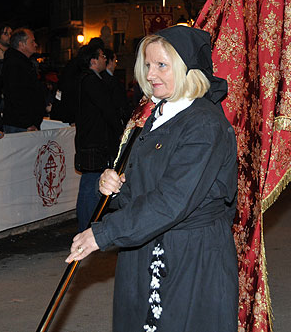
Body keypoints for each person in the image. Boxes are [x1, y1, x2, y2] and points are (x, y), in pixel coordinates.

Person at [65, 26, 238, 332]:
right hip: (146, 244)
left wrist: (103, 234)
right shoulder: (160, 113)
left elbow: (172, 200)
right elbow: (145, 182)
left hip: (188, 256)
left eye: (161, 65)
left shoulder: (203, 124)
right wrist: (116, 187)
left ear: (187, 69)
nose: (150, 74)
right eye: (147, 65)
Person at [74, 44, 123, 231]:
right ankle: (87, 228)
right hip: (94, 140)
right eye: (102, 56)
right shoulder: (91, 81)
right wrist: (118, 129)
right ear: (93, 60)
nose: (105, 59)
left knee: (90, 182)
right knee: (91, 184)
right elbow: (107, 108)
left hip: (89, 138)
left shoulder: (85, 80)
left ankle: (88, 226)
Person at [2, 28, 45, 133]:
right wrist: (28, 122)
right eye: (32, 41)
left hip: (25, 124)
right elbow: (16, 95)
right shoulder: (15, 64)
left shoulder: (24, 63)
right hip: (20, 125)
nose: (35, 44)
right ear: (21, 44)